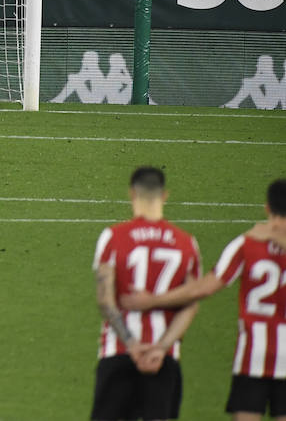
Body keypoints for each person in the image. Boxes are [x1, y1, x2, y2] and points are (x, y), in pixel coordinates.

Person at [121, 179, 286, 421]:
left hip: (253, 356)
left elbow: (203, 288)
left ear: (267, 208)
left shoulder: (248, 243)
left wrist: (154, 299)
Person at [91, 166, 203, 421]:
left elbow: (105, 300)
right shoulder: (187, 243)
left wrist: (131, 344)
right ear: (165, 195)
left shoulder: (113, 237)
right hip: (163, 358)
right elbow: (191, 304)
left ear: (132, 193)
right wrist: (161, 348)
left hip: (118, 351)